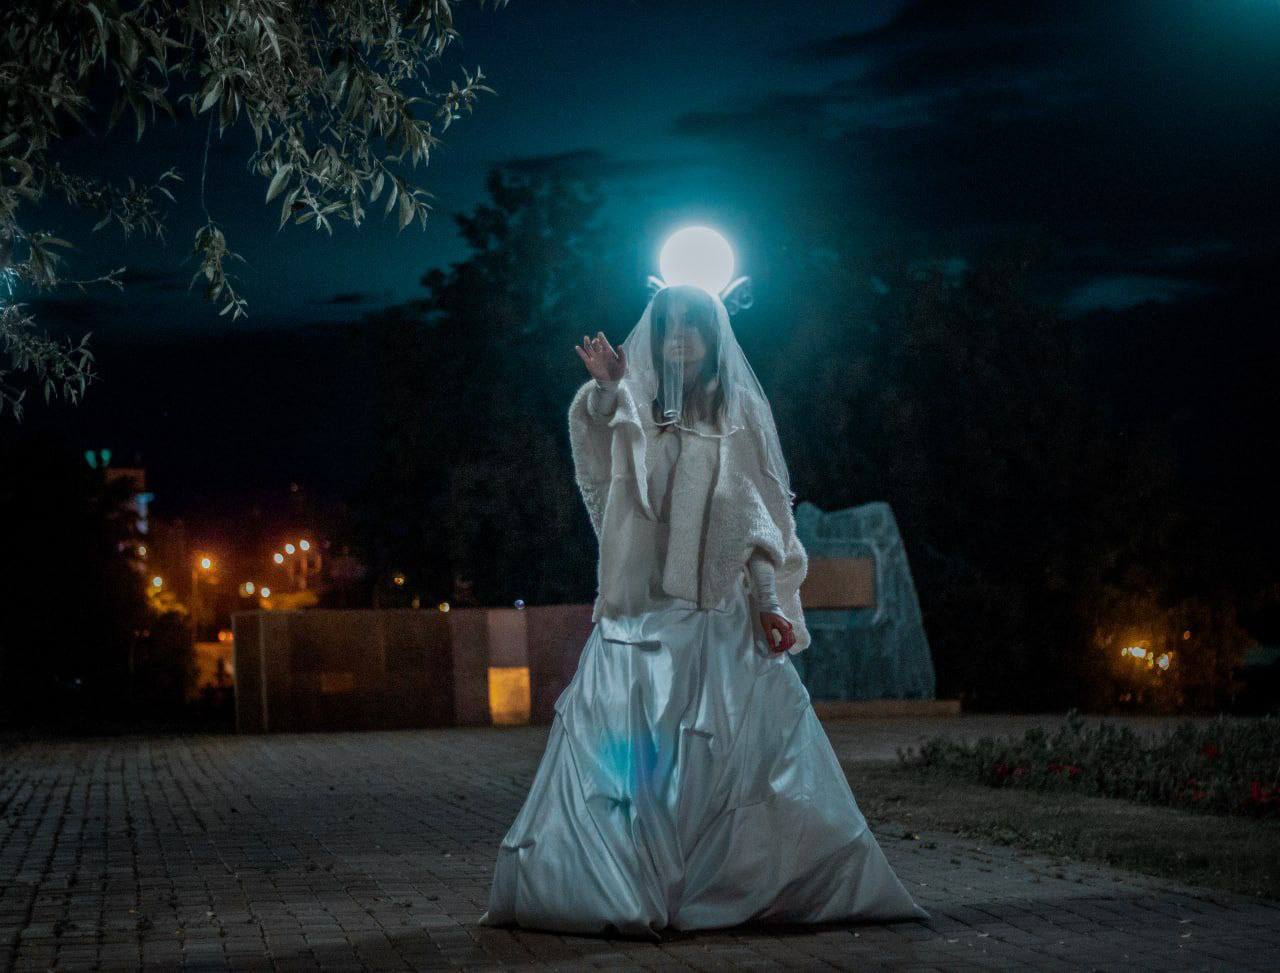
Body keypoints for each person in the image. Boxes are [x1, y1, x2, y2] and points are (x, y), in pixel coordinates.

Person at [479, 284, 928, 938]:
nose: (680, 336)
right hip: (638, 619)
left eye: (693, 324)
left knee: (720, 764)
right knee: (634, 765)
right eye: (669, 325)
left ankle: (727, 886)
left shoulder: (737, 414)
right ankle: (626, 890)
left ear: (715, 337)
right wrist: (608, 389)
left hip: (716, 621)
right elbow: (598, 456)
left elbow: (755, 523)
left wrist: (769, 603)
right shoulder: (632, 402)